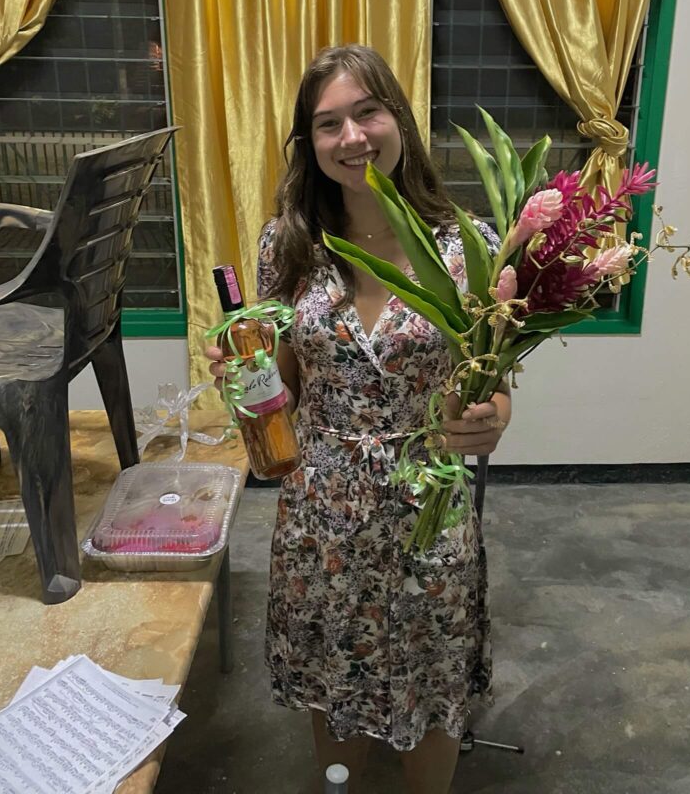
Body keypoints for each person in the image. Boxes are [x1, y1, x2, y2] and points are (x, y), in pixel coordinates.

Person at [205, 45, 511, 794]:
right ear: (310, 144)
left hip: (427, 500)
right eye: (328, 123)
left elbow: (495, 381)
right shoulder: (290, 245)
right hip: (323, 506)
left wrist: (492, 417)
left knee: (431, 679)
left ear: (397, 117)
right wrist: (244, 378)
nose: (353, 137)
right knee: (332, 672)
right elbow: (279, 380)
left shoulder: (468, 248)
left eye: (367, 112)